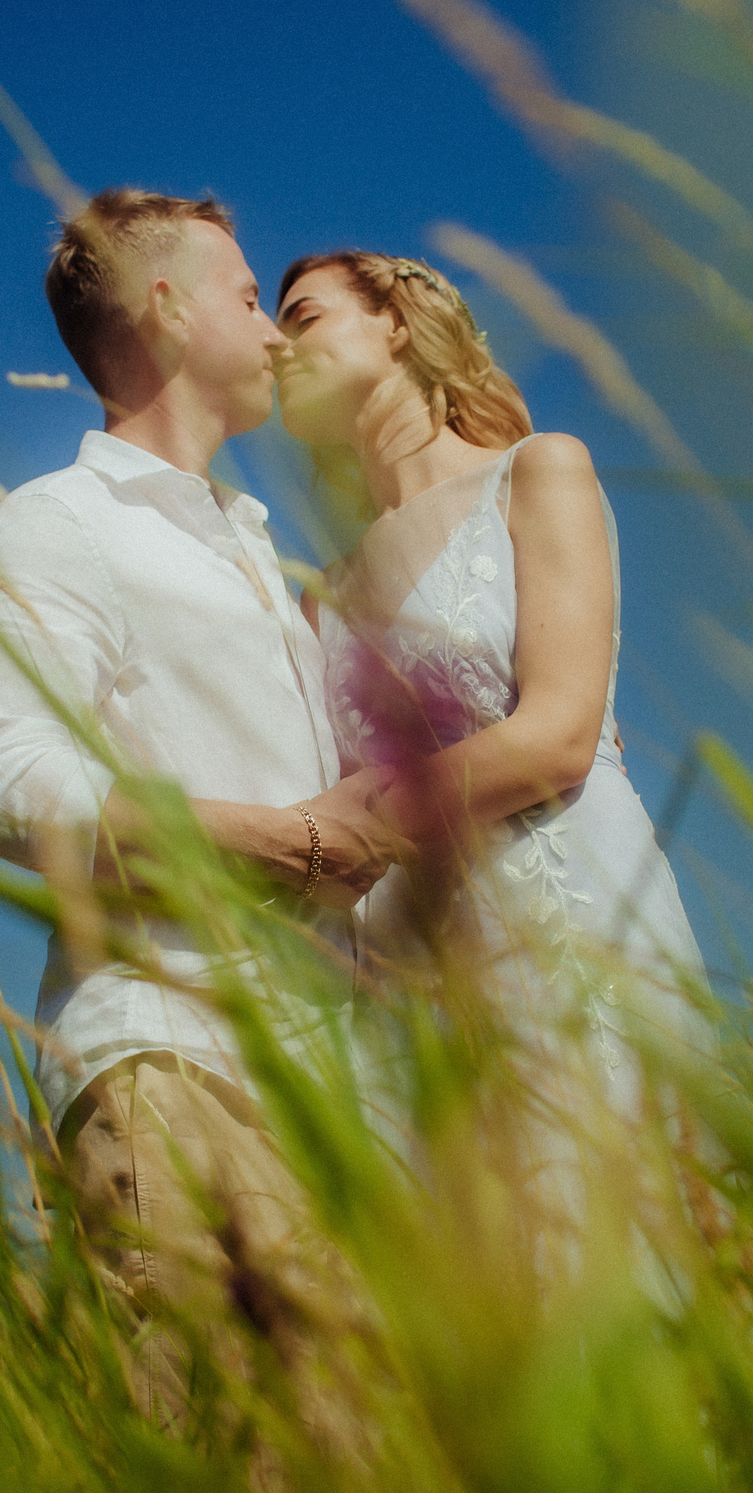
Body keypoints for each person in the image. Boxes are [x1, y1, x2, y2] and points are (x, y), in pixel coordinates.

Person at [0, 190, 394, 1407]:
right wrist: (280, 841)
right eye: (249, 298)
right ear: (164, 306)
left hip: (319, 1089)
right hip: (170, 1059)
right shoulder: (58, 524)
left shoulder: (252, 548)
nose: (272, 328)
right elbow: (3, 785)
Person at [273, 250, 705, 1145]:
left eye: (302, 317)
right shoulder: (321, 596)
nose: (278, 348)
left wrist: (348, 814)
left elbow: (558, 734)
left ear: (394, 320)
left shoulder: (538, 471)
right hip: (417, 977)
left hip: (575, 919)